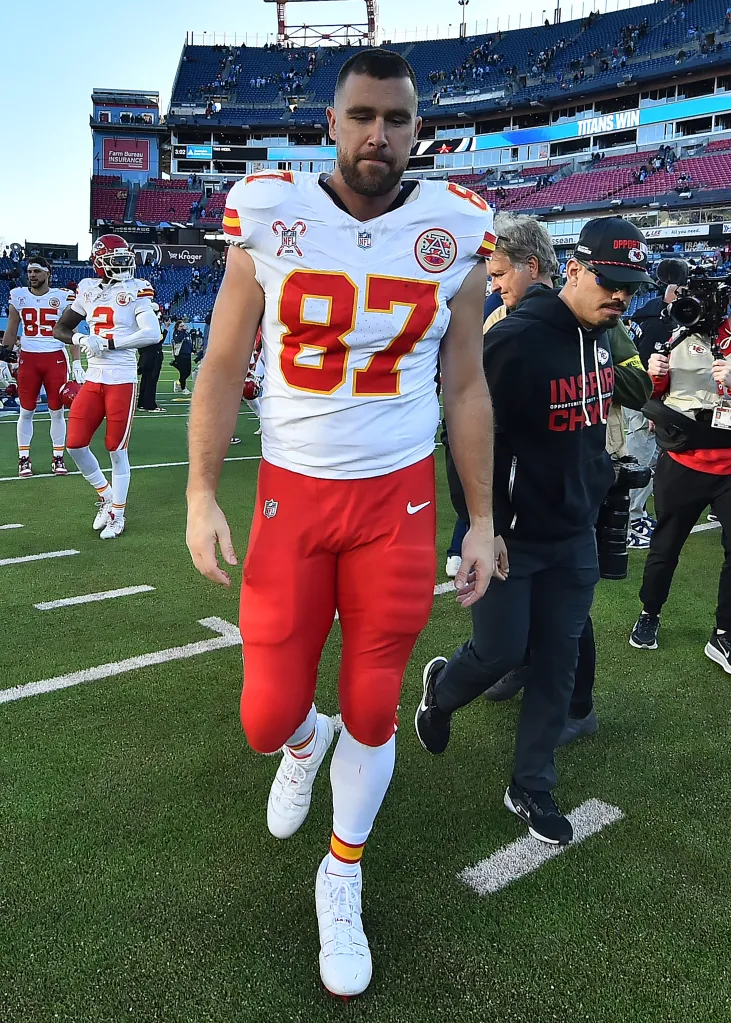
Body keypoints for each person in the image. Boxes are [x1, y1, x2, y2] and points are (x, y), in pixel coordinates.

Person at [185, 48, 496, 999]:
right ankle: (300, 743)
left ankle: (343, 867)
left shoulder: (457, 224)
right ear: (330, 122)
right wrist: (199, 491)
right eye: (361, 115)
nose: (377, 135)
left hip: (396, 503)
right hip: (294, 496)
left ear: (416, 129)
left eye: (396, 119)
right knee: (265, 717)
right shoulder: (268, 213)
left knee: (372, 702)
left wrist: (482, 517)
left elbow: (465, 385)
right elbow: (222, 359)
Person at [415, 216, 654, 847]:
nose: (620, 296)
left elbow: (586, 432)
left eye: (630, 287)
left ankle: (531, 784)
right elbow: (466, 438)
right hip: (512, 537)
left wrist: (600, 484)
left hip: (573, 537)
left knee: (557, 663)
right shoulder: (515, 339)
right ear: (573, 268)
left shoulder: (602, 339)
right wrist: (480, 525)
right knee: (499, 651)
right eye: (610, 281)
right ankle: (440, 692)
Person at [629, 302, 731, 665]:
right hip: (683, 460)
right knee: (665, 546)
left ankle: (724, 633)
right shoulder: (675, 334)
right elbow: (652, 396)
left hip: (729, 465)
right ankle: (649, 612)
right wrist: (654, 373)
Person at [53, 234, 161, 539]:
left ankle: (118, 514)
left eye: (126, 259)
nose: (124, 265)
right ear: (99, 263)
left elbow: (152, 333)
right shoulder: (87, 288)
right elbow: (61, 328)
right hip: (94, 378)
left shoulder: (137, 289)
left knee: (116, 449)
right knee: (74, 444)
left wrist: (110, 342)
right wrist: (82, 338)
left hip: (121, 379)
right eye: (116, 260)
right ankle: (106, 495)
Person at [3, 257, 85, 477]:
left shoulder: (63, 296)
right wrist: (4, 353)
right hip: (28, 358)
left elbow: (71, 331)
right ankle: (23, 458)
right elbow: (12, 328)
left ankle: (58, 457)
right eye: (30, 271)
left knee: (56, 412)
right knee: (26, 410)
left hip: (55, 358)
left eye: (37, 271)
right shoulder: (18, 295)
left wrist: (77, 361)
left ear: (48, 273)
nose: (32, 275)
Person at [137, 302, 165, 412]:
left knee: (145, 379)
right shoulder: (153, 324)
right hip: (153, 354)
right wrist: (166, 330)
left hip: (145, 355)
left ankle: (142, 403)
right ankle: (149, 404)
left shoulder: (142, 323)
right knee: (151, 380)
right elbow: (159, 340)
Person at [172, 321, 192, 393]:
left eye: (183, 325)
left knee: (188, 372)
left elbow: (189, 342)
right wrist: (183, 331)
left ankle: (178, 382)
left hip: (187, 354)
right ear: (177, 327)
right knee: (183, 372)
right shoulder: (176, 333)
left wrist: (192, 349)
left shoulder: (186, 333)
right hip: (180, 354)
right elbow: (178, 340)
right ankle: (183, 388)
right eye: (181, 326)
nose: (183, 327)